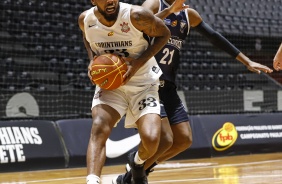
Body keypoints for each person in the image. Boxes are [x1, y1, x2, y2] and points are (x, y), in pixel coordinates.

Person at [113, 0, 274, 183]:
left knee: (184, 140)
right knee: (165, 140)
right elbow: (136, 27)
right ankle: (136, 169)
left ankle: (134, 170)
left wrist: (247, 61)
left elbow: (214, 36)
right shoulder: (154, 4)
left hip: (169, 85)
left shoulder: (189, 15)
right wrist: (169, 12)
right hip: (147, 82)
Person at [78, 0, 171, 183]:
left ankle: (136, 163)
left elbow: (164, 34)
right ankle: (92, 180)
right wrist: (92, 60)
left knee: (152, 140)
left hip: (143, 83)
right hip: (111, 85)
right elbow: (86, 37)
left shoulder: (137, 15)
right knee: (99, 126)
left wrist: (137, 63)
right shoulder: (85, 19)